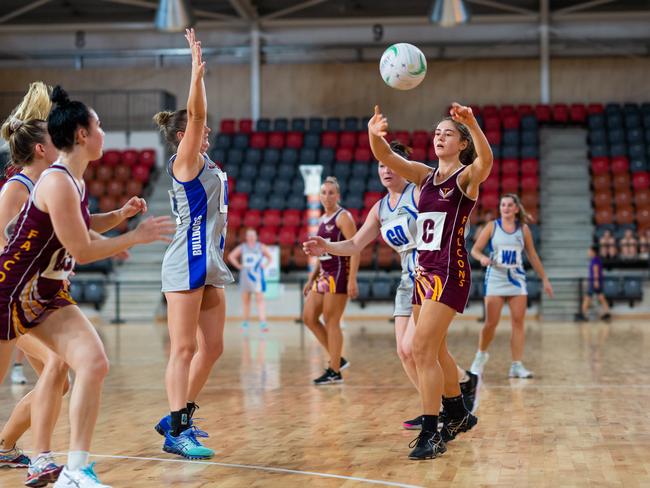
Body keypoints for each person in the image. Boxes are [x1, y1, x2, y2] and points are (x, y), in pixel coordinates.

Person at [0, 84, 174, 488]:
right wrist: (134, 237)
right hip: (10, 293)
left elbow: (82, 231)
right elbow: (80, 247)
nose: (103, 132)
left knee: (92, 363)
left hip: (46, 294)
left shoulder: (72, 182)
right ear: (81, 134)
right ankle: (35, 454)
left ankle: (74, 470)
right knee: (55, 372)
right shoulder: (56, 182)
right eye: (98, 125)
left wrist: (121, 222)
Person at [303, 142, 479, 425]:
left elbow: (452, 217)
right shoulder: (380, 208)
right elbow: (355, 244)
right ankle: (441, 401)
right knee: (405, 351)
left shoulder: (421, 192)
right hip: (405, 281)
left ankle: (446, 402)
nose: (386, 170)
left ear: (402, 167)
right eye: (381, 166)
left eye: (390, 164)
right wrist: (326, 246)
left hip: (432, 275)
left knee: (418, 348)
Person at [368, 103, 492, 460]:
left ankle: (431, 432)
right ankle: (456, 411)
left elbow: (487, 163)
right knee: (435, 350)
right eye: (437, 132)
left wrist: (473, 124)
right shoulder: (424, 176)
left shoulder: (466, 178)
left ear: (462, 145)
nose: (440, 137)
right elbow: (388, 158)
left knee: (421, 349)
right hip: (424, 273)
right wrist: (374, 135)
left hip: (449, 272)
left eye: (448, 133)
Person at [152, 29, 233, 460]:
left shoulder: (208, 163)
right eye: (198, 129)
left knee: (213, 347)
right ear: (183, 135)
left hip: (210, 258)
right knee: (183, 348)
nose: (206, 132)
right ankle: (177, 430)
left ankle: (178, 414)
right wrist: (195, 75)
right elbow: (198, 117)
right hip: (186, 257)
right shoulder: (186, 160)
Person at [469, 194, 554, 379]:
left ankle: (516, 365)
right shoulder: (492, 226)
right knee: (491, 324)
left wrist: (544, 279)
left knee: (518, 323)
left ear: (516, 209)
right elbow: (475, 250)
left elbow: (532, 256)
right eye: (503, 205)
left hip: (517, 279)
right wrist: (482, 257)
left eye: (509, 205)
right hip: (495, 278)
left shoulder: (523, 229)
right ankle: (480, 355)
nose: (505, 208)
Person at [302, 176, 359, 385]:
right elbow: (322, 252)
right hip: (324, 274)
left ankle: (334, 370)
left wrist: (352, 279)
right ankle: (338, 358)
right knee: (308, 317)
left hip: (339, 273)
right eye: (324, 193)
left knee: (331, 321)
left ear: (338, 195)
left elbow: (355, 248)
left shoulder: (343, 217)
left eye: (331, 193)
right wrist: (311, 278)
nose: (327, 197)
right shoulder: (321, 218)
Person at [227, 228, 273, 332]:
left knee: (260, 300)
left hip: (257, 277)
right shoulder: (242, 247)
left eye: (253, 235)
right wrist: (239, 266)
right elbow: (231, 256)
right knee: (246, 301)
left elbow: (270, 257)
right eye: (249, 235)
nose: (251, 237)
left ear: (256, 237)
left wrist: (264, 265)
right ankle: (245, 323)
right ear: (246, 237)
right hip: (245, 276)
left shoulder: (261, 247)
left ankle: (263, 323)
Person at [575, 246, 611, 322]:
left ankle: (583, 314)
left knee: (587, 298)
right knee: (601, 297)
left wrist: (595, 281)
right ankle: (607, 312)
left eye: (589, 251)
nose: (588, 252)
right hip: (596, 281)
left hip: (594, 282)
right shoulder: (597, 260)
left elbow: (595, 272)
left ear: (593, 252)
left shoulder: (595, 260)